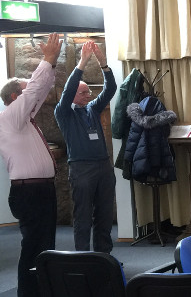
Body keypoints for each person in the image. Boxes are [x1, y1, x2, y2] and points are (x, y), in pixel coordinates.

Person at [0, 32, 61, 297]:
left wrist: (52, 64)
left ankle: (43, 290)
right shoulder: (11, 116)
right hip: (29, 192)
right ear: (15, 97)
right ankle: (28, 293)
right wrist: (46, 59)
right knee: (34, 245)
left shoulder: (24, 118)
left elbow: (41, 88)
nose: (33, 96)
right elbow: (36, 88)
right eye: (26, 91)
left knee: (46, 245)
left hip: (40, 190)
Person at [54, 40, 117, 253]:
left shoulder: (92, 108)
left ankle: (103, 257)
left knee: (105, 215)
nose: (89, 95)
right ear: (72, 96)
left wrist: (103, 64)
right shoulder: (63, 112)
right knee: (82, 216)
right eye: (84, 93)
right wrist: (81, 63)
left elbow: (110, 90)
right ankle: (82, 257)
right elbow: (70, 88)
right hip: (81, 169)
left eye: (89, 91)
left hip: (103, 166)